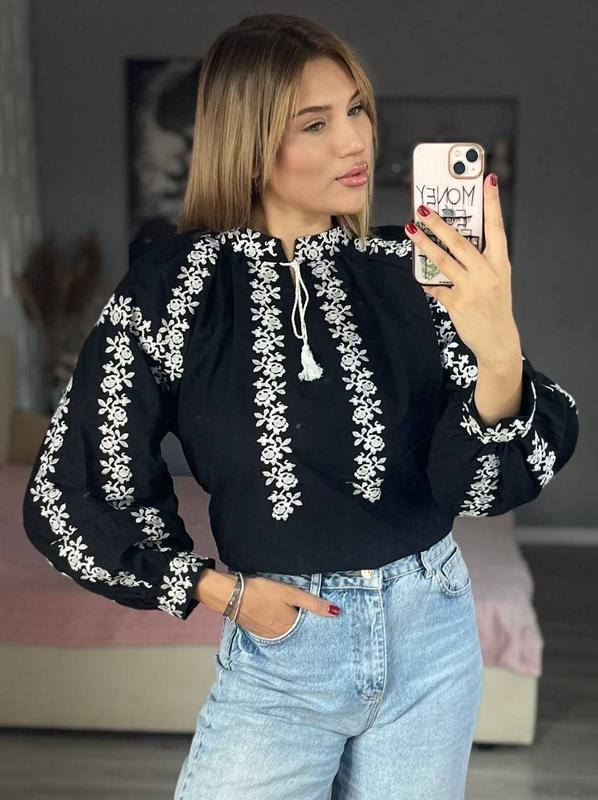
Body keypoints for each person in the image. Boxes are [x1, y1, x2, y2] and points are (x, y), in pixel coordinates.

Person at [22, 13, 580, 800]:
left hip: (433, 632)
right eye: (315, 124)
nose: (355, 141)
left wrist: (497, 344)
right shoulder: (177, 288)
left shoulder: (412, 270)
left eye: (356, 110)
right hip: (285, 650)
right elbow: (71, 491)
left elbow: (478, 485)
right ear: (249, 143)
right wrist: (221, 592)